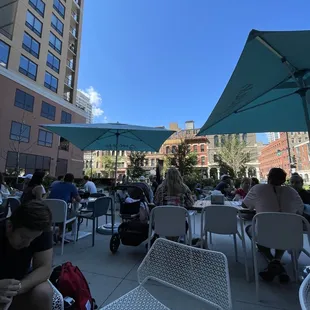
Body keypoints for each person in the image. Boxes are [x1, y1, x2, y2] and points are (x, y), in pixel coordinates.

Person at [243, 168, 304, 282]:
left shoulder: (258, 188)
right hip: (289, 236)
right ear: (284, 180)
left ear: (268, 178)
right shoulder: (292, 192)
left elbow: (245, 205)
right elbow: (300, 211)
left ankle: (272, 261)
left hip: (263, 235)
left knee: (249, 229)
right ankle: (277, 261)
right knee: (282, 232)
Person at [0, 200, 53, 310]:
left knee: (43, 293)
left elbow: (44, 267)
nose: (28, 244)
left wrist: (17, 288)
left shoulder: (40, 231)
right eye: (23, 237)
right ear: (9, 226)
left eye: (33, 239)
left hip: (19, 283)